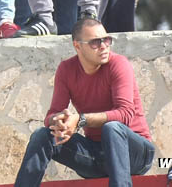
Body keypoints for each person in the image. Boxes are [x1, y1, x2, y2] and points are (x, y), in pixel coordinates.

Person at [14, 17, 154, 186]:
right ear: (77, 46)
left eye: (106, 40)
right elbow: (51, 115)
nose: (103, 46)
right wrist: (59, 121)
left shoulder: (118, 64)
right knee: (42, 135)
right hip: (97, 156)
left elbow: (125, 114)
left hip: (136, 155)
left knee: (112, 128)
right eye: (95, 42)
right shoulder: (66, 69)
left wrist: (80, 120)